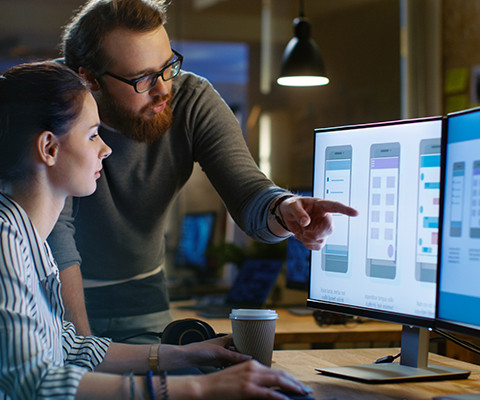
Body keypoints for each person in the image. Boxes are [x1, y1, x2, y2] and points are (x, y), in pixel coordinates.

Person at [0, 60, 313, 400]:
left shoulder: (31, 242)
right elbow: (33, 383)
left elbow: (73, 349)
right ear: (49, 148)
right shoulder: (6, 241)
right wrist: (200, 387)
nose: (105, 149)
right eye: (92, 135)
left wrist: (189, 354)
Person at [48, 0, 358, 341]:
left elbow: (248, 191)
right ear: (89, 78)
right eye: (143, 78)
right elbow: (58, 239)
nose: (163, 88)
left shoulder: (192, 99)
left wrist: (284, 211)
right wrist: (82, 351)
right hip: (53, 293)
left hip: (143, 294)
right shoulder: (47, 102)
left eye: (168, 67)